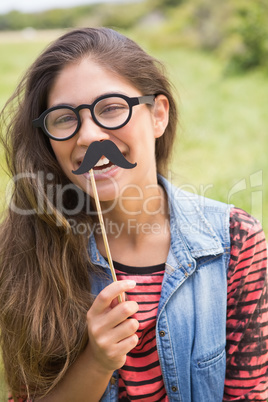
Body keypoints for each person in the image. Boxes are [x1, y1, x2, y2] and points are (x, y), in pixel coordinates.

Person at [0, 27, 267, 402]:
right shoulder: (27, 251)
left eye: (110, 108)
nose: (89, 135)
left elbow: (249, 394)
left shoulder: (236, 241)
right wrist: (96, 361)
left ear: (157, 115)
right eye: (63, 118)